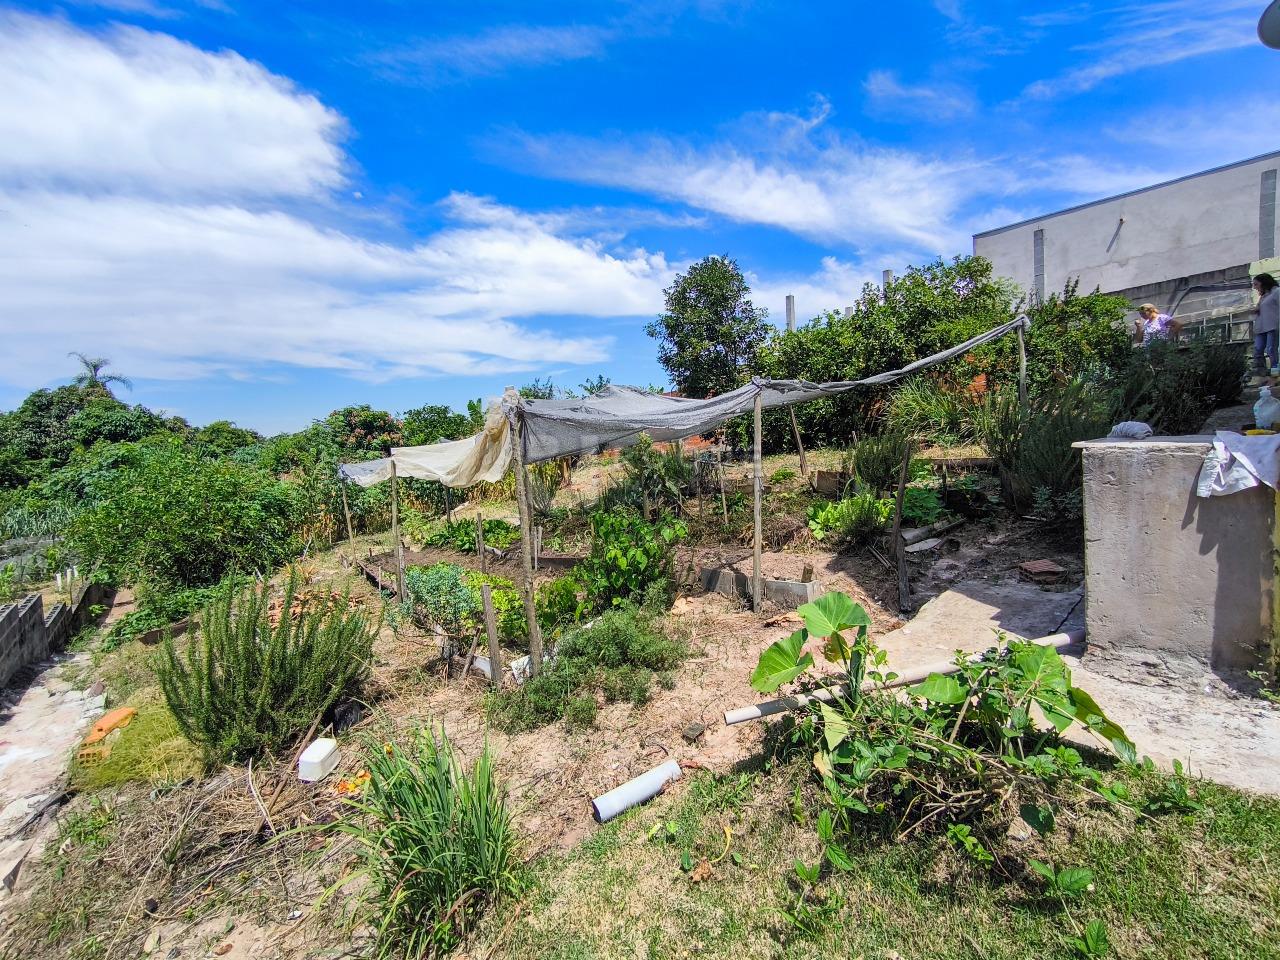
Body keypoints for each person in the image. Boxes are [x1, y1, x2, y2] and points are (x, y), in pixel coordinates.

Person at [1253, 273, 1280, 374]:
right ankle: (1260, 371)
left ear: (1263, 283)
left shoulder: (1276, 292)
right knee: (1258, 348)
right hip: (1261, 327)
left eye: (1256, 284)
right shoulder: (1263, 296)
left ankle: (1275, 370)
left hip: (1272, 326)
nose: (1255, 287)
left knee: (1271, 349)